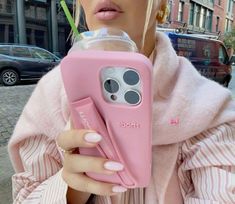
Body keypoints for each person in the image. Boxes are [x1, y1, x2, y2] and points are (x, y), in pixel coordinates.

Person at [8, 0, 235, 203]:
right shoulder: (48, 100)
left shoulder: (208, 108)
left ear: (162, 4)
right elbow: (25, 195)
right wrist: (70, 192)